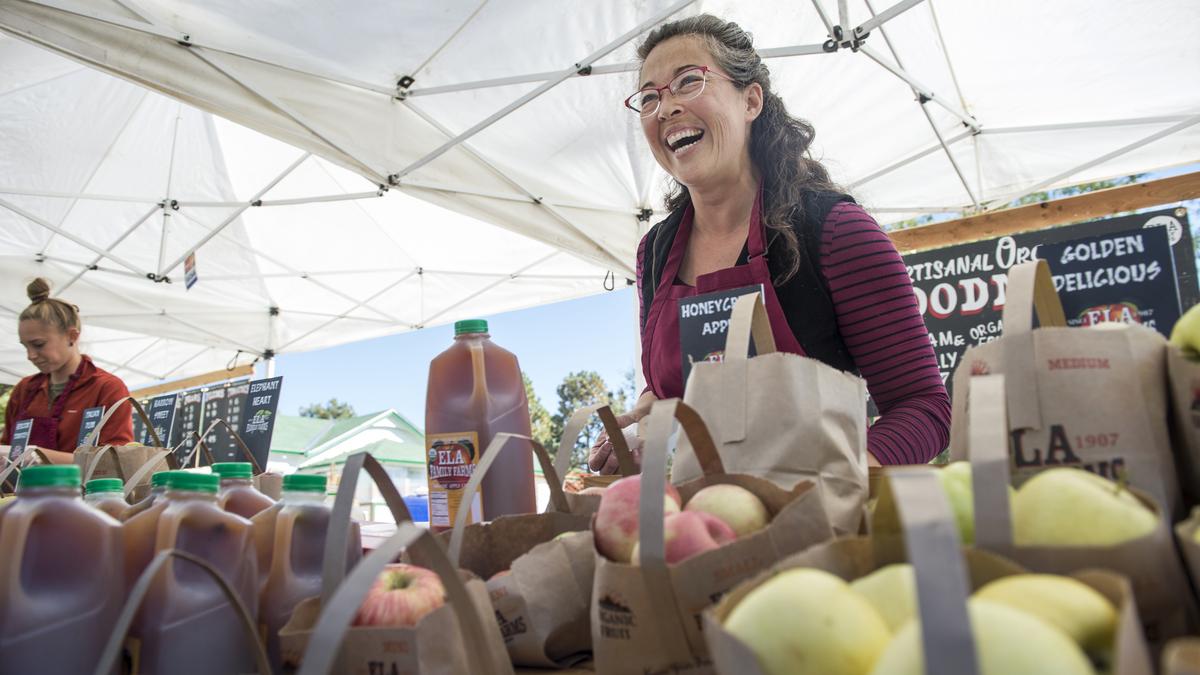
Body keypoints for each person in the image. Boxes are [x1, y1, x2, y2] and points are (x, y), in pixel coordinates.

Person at [589, 15, 950, 472]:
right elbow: (673, 391)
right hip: (701, 522)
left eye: (688, 82)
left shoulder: (835, 231)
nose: (665, 108)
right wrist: (643, 428)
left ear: (751, 100)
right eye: (649, 97)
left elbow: (924, 407)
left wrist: (840, 480)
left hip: (818, 530)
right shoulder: (655, 252)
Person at [2, 278, 134, 462]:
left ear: (72, 336)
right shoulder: (24, 390)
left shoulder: (106, 388)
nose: (30, 355)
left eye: (38, 345)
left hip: (82, 491)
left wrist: (37, 456)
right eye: (25, 346)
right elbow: (6, 449)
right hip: (22, 492)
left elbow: (115, 463)